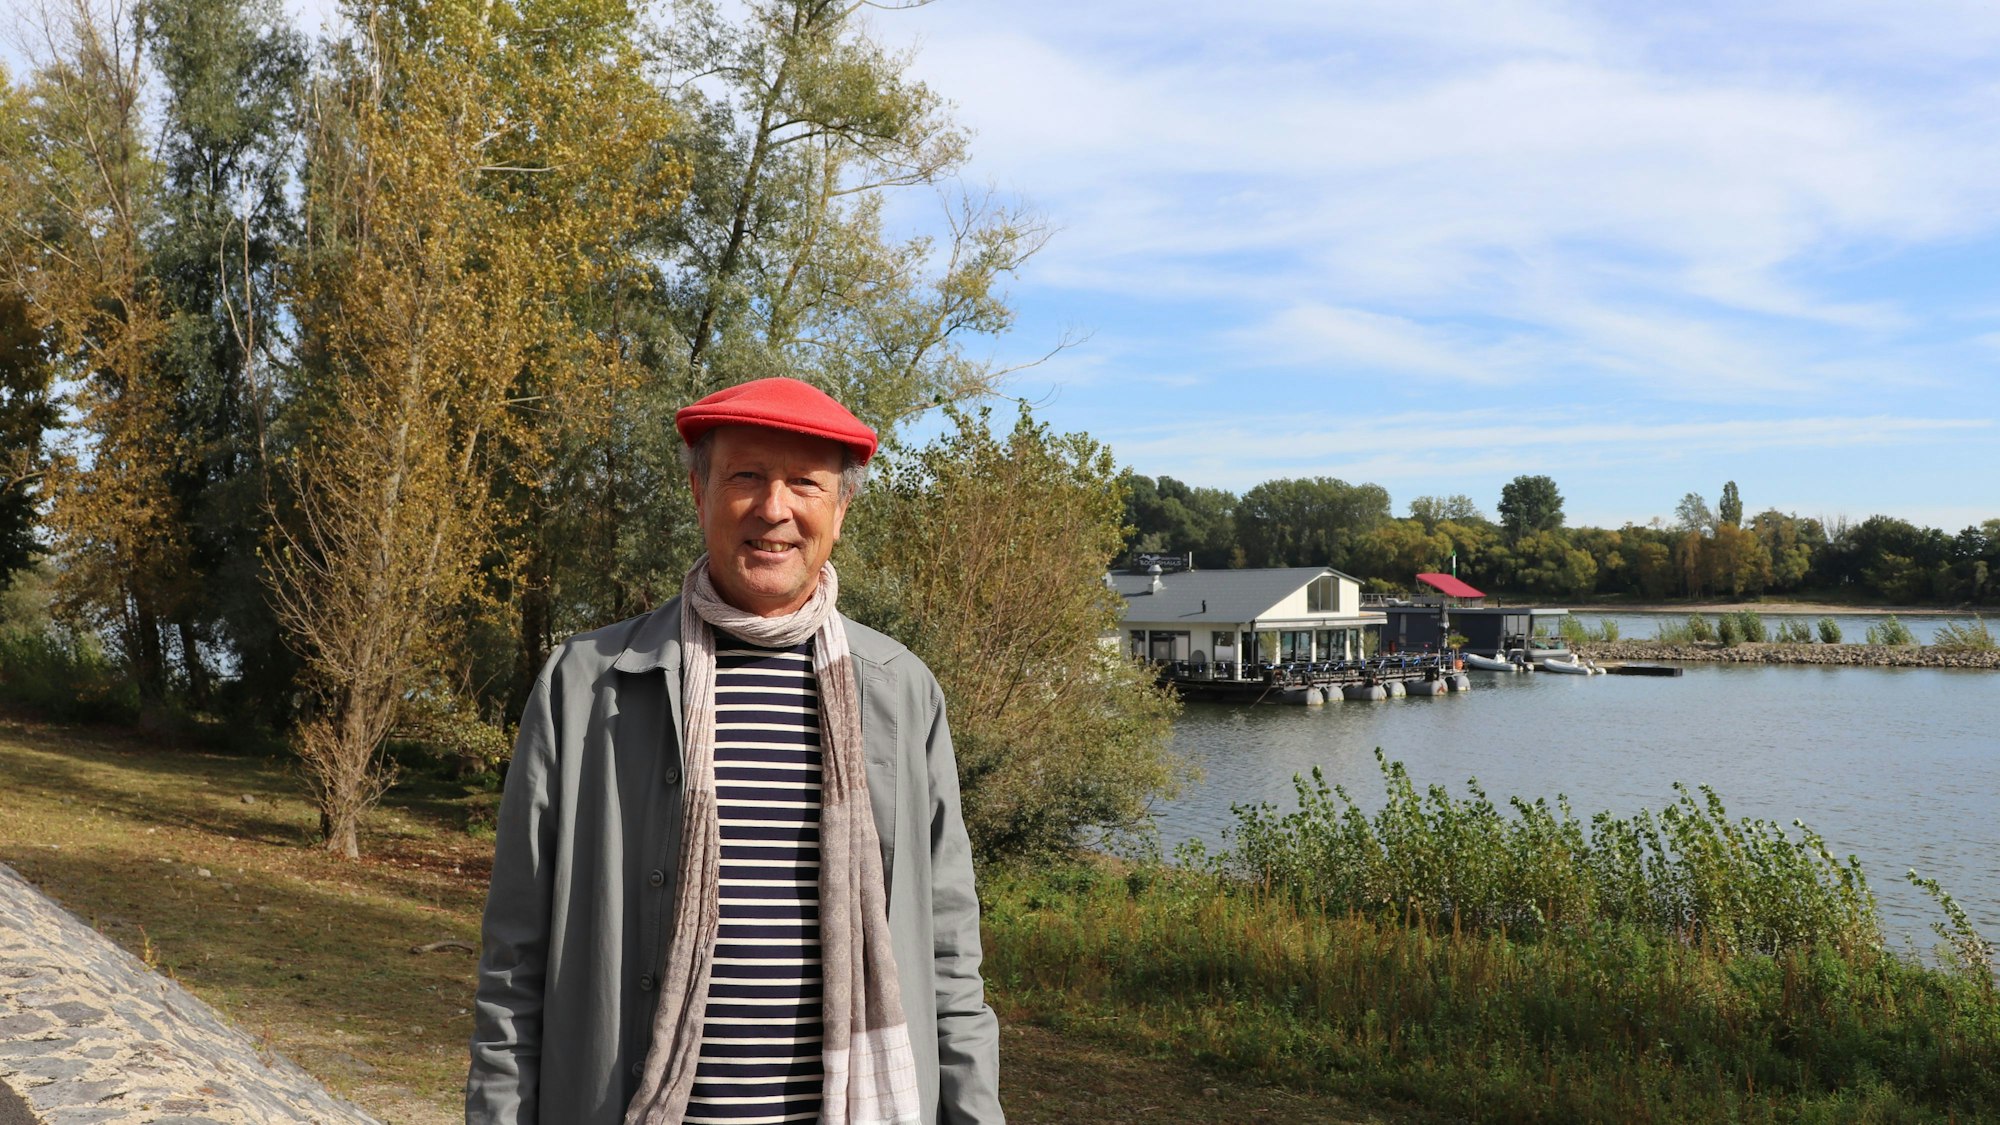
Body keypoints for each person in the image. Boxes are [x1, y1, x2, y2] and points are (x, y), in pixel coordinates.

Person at [466, 377, 1003, 1125]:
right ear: (699, 491)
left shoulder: (902, 692)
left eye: (804, 484)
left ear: (841, 509)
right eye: (746, 475)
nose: (773, 508)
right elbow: (514, 960)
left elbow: (950, 959)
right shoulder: (584, 686)